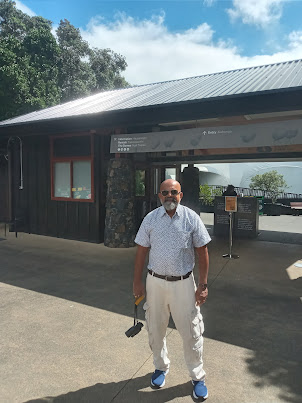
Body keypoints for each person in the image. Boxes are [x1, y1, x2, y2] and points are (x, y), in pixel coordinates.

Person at [133, 179, 211, 401]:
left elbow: (203, 252)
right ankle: (160, 366)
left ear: (181, 195)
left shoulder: (191, 218)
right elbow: (141, 252)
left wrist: (203, 285)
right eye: (165, 192)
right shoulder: (150, 219)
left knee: (191, 331)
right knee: (155, 327)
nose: (169, 196)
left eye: (173, 192)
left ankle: (197, 377)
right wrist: (137, 283)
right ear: (159, 196)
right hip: (155, 282)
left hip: (184, 284)